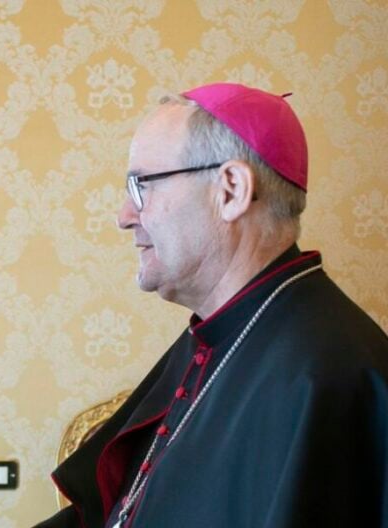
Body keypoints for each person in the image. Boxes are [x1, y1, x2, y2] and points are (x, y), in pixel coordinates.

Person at [35, 83, 388, 528]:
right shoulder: (218, 335)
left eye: (142, 185)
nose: (124, 215)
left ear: (231, 190)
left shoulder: (329, 375)